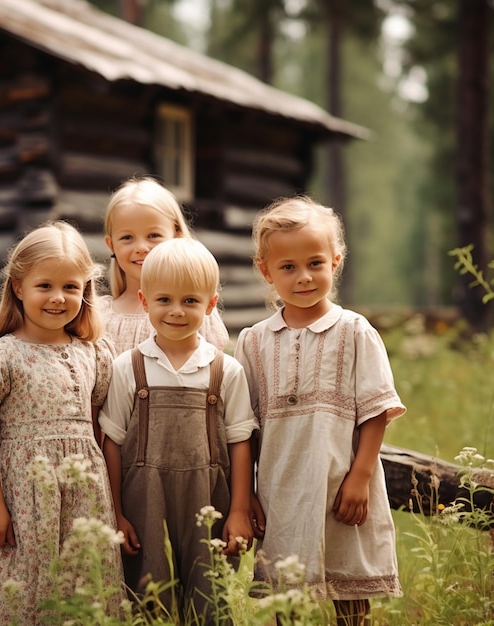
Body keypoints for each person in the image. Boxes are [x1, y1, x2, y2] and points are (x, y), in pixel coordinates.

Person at [234, 196, 406, 626]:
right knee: (285, 592)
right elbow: (244, 428)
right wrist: (248, 493)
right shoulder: (253, 342)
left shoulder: (354, 331)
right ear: (265, 271)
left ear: (336, 260)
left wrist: (361, 477)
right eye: (288, 267)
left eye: (315, 263)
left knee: (348, 588)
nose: (304, 276)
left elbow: (375, 411)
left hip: (340, 484)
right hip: (280, 489)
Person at [0, 221, 124, 625]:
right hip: (20, 494)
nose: (59, 298)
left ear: (86, 290)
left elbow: (95, 428)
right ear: (18, 287)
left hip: (83, 495)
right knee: (18, 589)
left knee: (80, 589)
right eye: (45, 286)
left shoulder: (92, 354)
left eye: (71, 287)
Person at [99, 237, 257, 622]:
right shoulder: (128, 367)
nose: (176, 311)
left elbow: (239, 443)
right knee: (149, 597)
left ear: (211, 305)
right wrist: (117, 513)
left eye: (190, 301)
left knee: (210, 598)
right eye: (164, 300)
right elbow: (112, 444)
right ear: (143, 300)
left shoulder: (225, 370)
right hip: (143, 500)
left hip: (207, 498)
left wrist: (239, 510)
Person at [101, 175, 230, 354]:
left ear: (176, 235)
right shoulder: (100, 315)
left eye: (153, 235)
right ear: (111, 245)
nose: (141, 247)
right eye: (127, 237)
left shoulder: (194, 310)